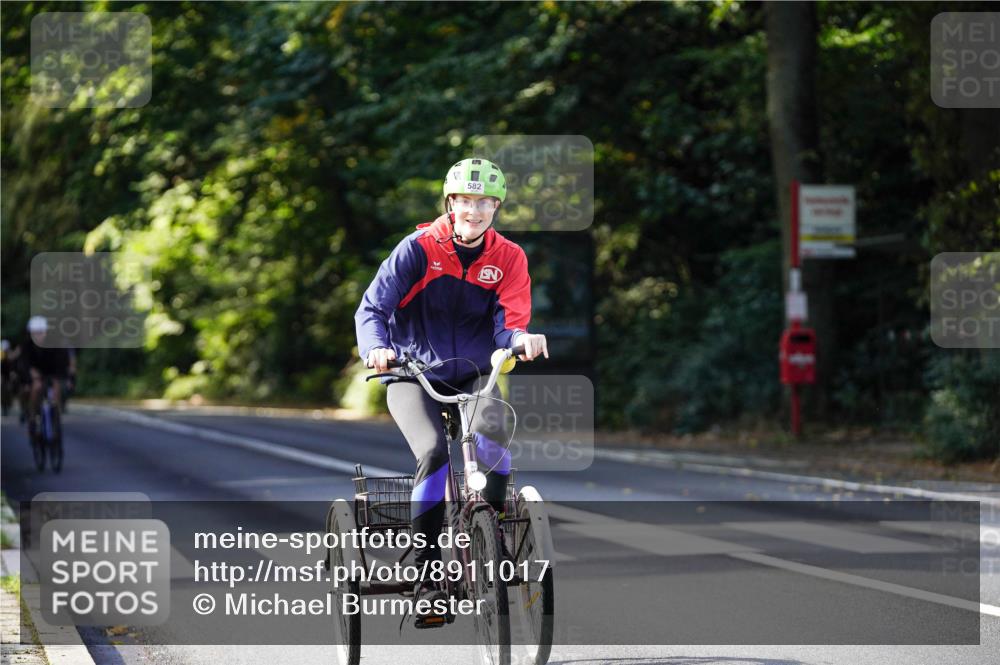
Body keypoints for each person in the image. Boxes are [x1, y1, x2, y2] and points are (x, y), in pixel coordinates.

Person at [355, 158, 548, 626]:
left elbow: (510, 322)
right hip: (410, 372)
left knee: (492, 433)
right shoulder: (417, 249)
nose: (475, 211)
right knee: (433, 454)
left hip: (474, 372)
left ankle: (494, 530)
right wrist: (377, 349)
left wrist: (520, 340)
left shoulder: (508, 258)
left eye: (486, 203)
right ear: (451, 203)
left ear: (496, 208)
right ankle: (425, 577)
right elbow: (372, 308)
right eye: (466, 201)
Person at [21, 316, 71, 439]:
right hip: (35, 375)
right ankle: (33, 418)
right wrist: (29, 376)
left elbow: (62, 362)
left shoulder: (54, 344)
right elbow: (23, 365)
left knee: (56, 387)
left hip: (52, 373)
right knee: (36, 388)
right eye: (35, 333)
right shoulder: (27, 346)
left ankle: (56, 415)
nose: (38, 335)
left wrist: (64, 377)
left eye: (40, 332)